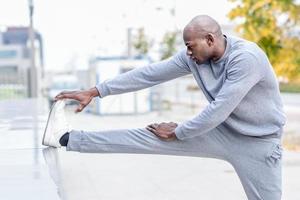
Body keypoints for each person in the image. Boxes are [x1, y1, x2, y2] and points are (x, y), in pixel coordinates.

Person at [42, 15, 286, 200]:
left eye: (191, 46)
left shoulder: (246, 59)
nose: (187, 52)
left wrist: (178, 131)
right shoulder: (193, 57)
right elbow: (150, 74)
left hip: (258, 144)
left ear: (210, 39)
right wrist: (96, 91)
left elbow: (219, 108)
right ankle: (66, 139)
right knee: (146, 137)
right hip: (221, 130)